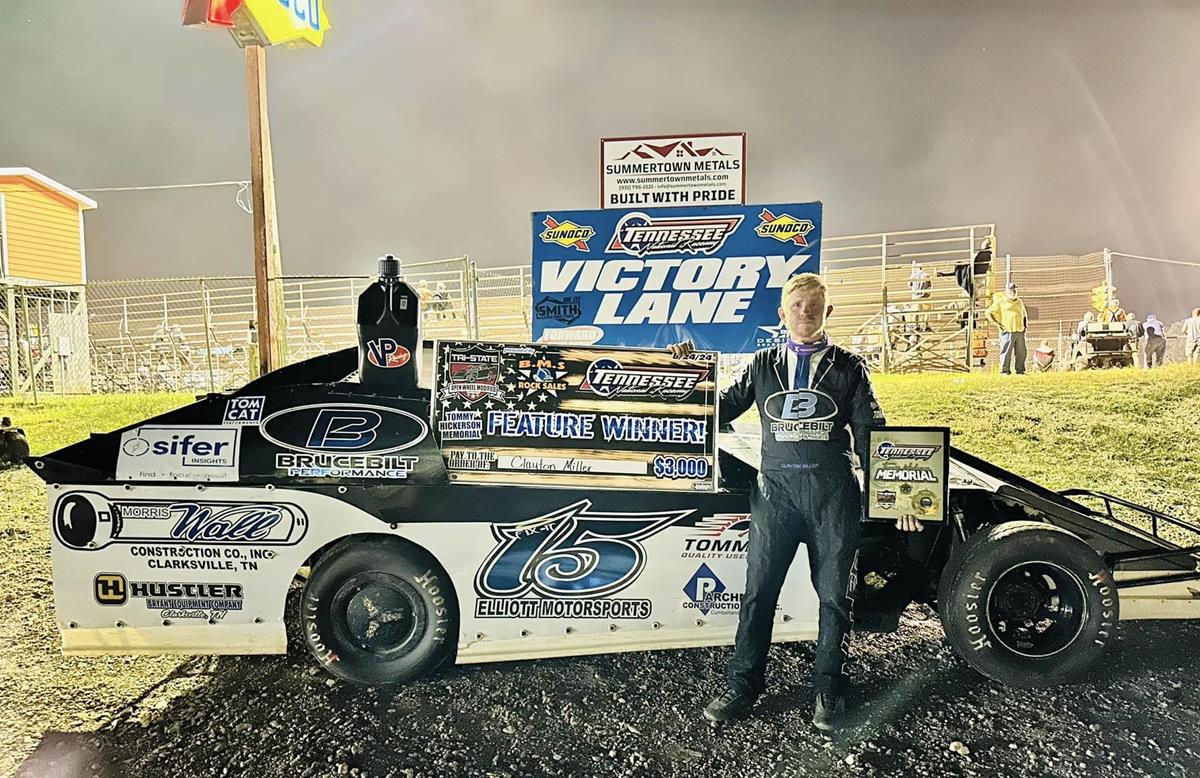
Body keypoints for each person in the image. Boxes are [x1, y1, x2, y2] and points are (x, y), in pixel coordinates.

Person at [672, 273, 921, 733]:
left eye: (814, 305)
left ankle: (829, 688)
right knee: (758, 595)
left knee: (835, 599)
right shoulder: (762, 364)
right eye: (797, 305)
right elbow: (719, 409)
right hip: (776, 498)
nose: (806, 312)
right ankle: (742, 685)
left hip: (834, 498)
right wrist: (688, 373)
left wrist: (901, 495)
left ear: (828, 312)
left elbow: (872, 436)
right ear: (782, 314)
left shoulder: (850, 367)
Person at [986, 283, 1029, 375]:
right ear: (1007, 291)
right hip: (1007, 331)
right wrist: (996, 324)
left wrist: (1025, 325)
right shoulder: (1001, 302)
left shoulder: (1019, 302)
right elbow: (988, 312)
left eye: (1014, 290)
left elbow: (1024, 314)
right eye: (1011, 290)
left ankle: (1020, 371)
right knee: (1006, 351)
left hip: (1019, 330)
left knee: (1021, 352)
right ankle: (1004, 371)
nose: (1013, 292)